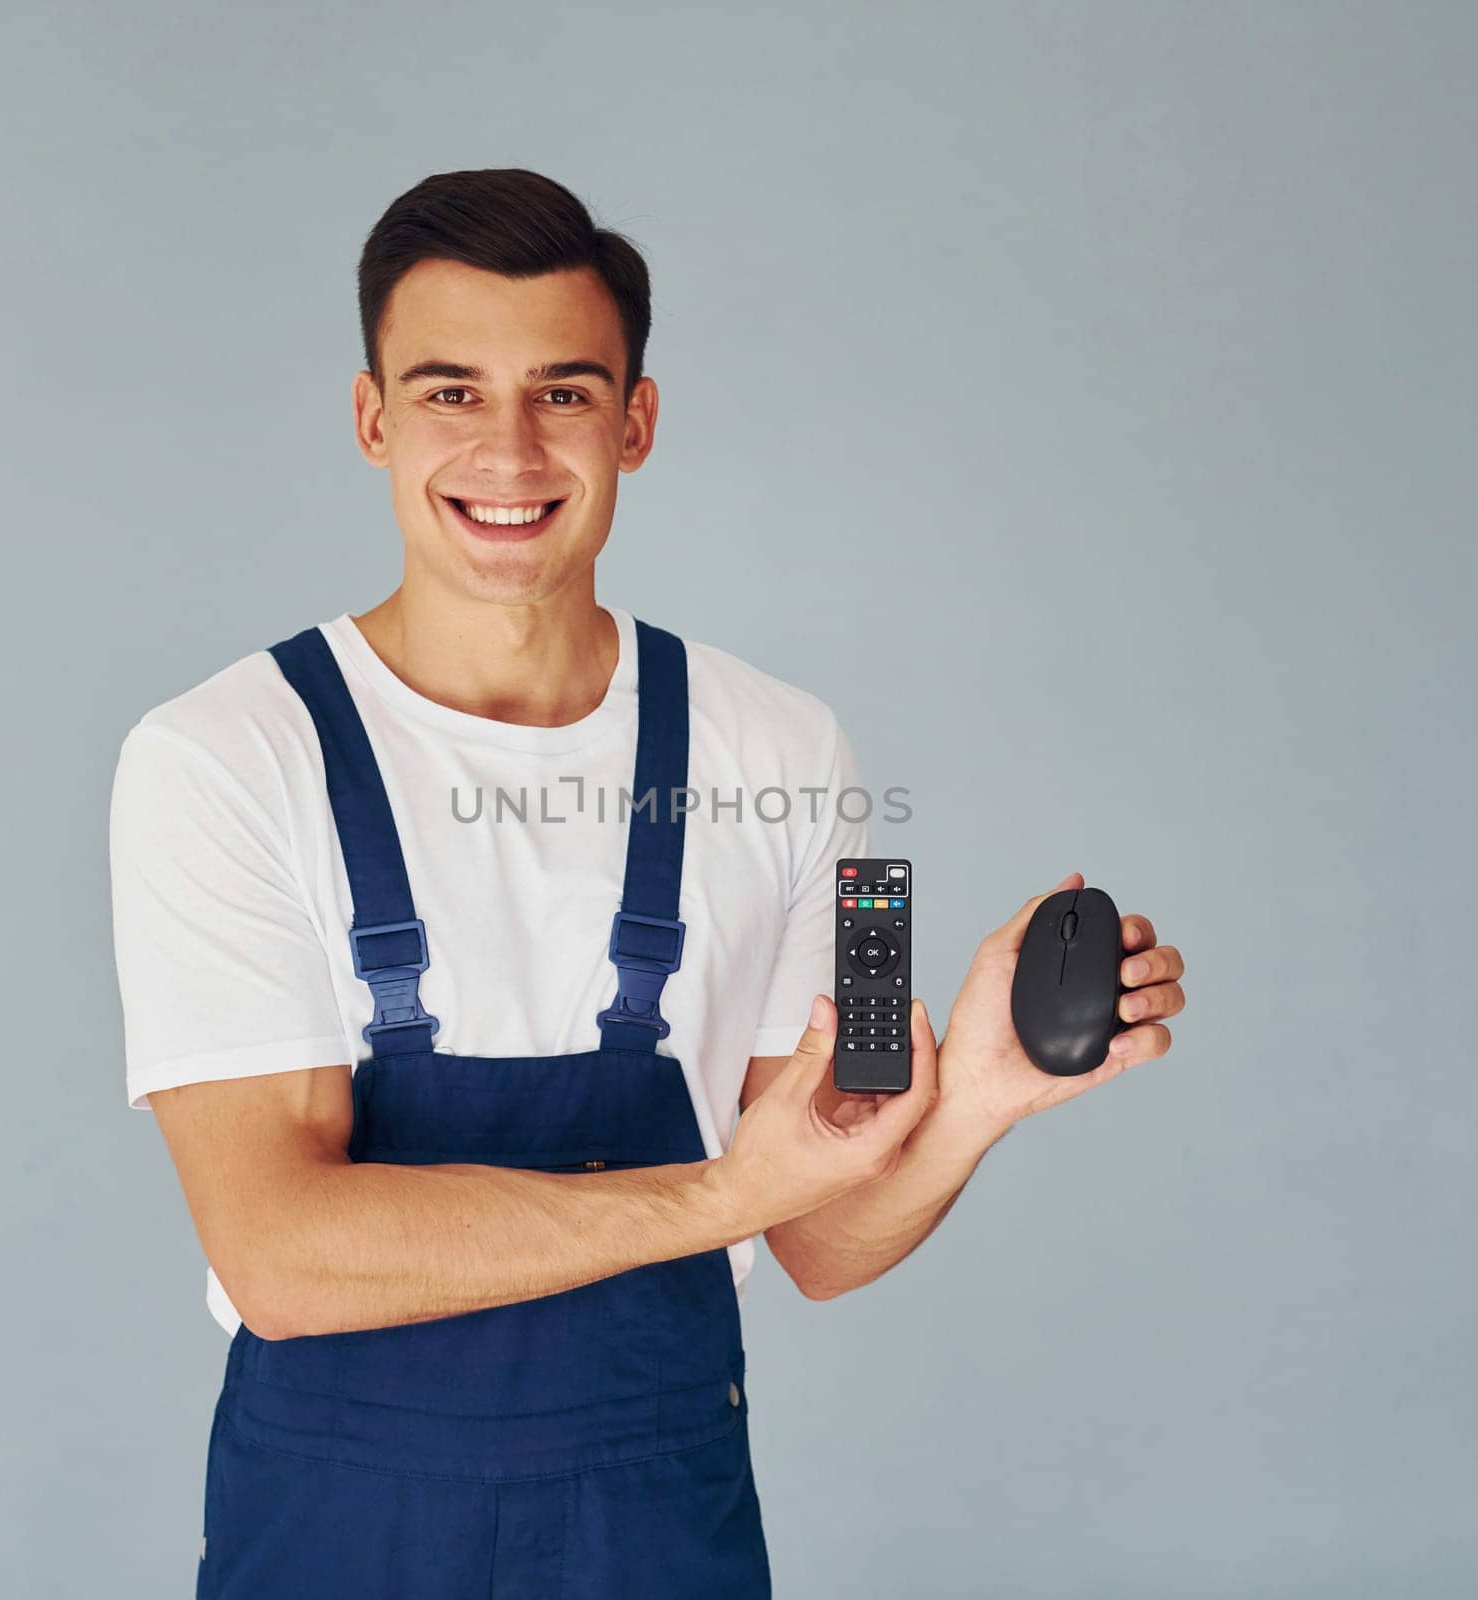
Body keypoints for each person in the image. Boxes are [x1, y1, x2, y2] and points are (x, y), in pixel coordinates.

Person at [108, 168, 1185, 1599]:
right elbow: (284, 1257)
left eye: (563, 393)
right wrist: (722, 1191)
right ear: (372, 420)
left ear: (637, 421)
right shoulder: (217, 758)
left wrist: (974, 1096)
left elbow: (820, 1234)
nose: (508, 449)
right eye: (448, 393)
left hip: (659, 1523)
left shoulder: (796, 750)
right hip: (342, 1528)